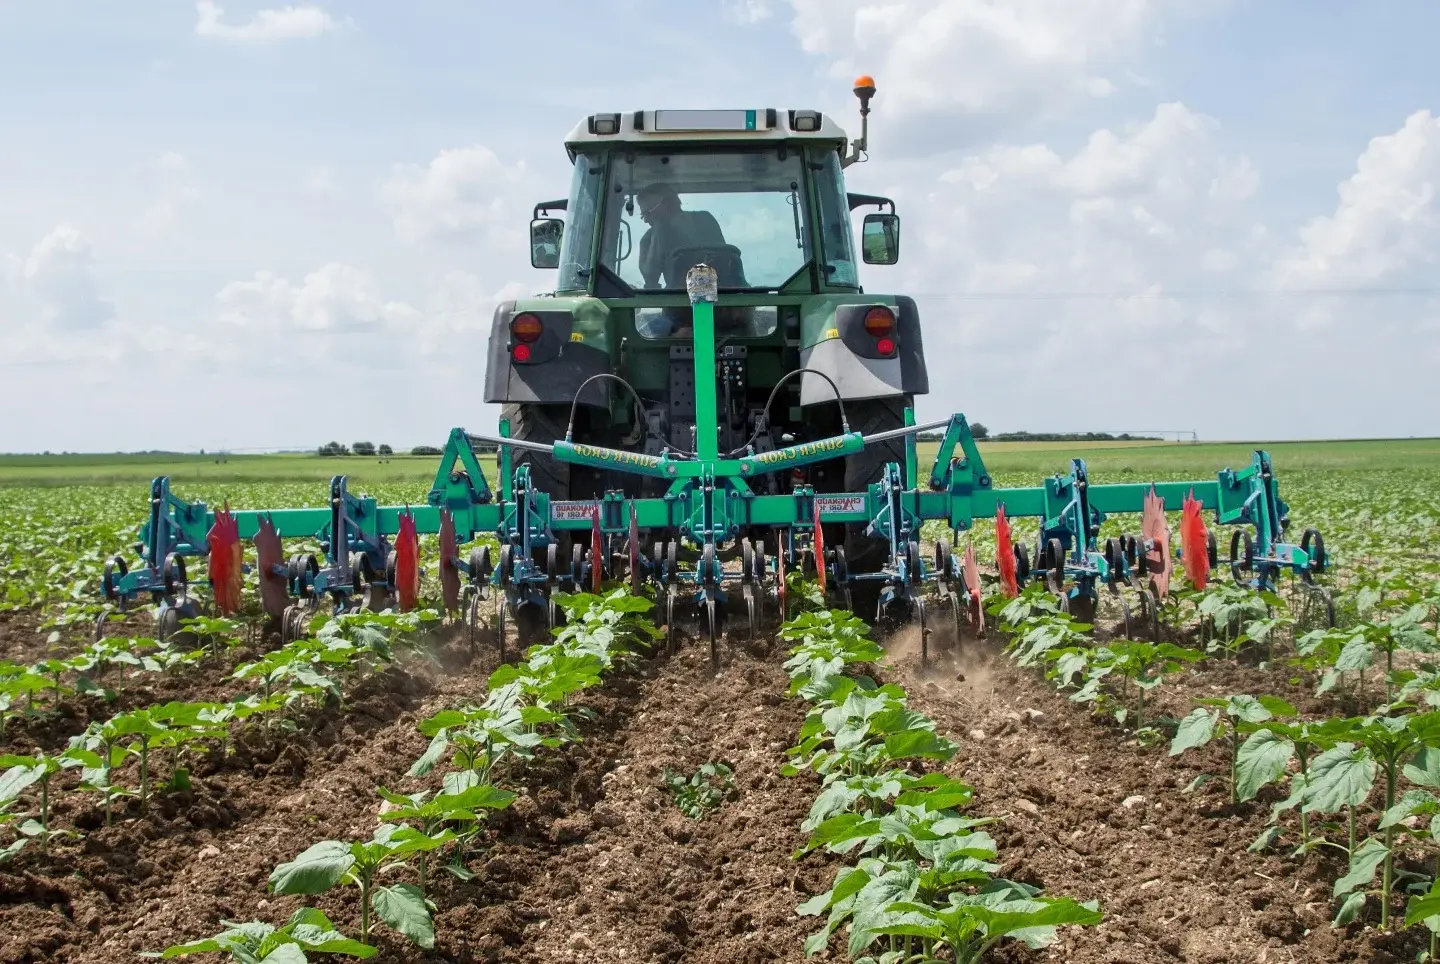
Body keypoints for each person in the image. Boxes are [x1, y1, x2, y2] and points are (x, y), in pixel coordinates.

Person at [635, 183, 728, 289]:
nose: (646, 220)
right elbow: (650, 277)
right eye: (643, 215)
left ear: (666, 203)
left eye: (648, 212)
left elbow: (722, 261)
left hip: (718, 293)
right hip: (677, 299)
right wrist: (658, 231)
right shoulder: (648, 239)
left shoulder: (704, 220)